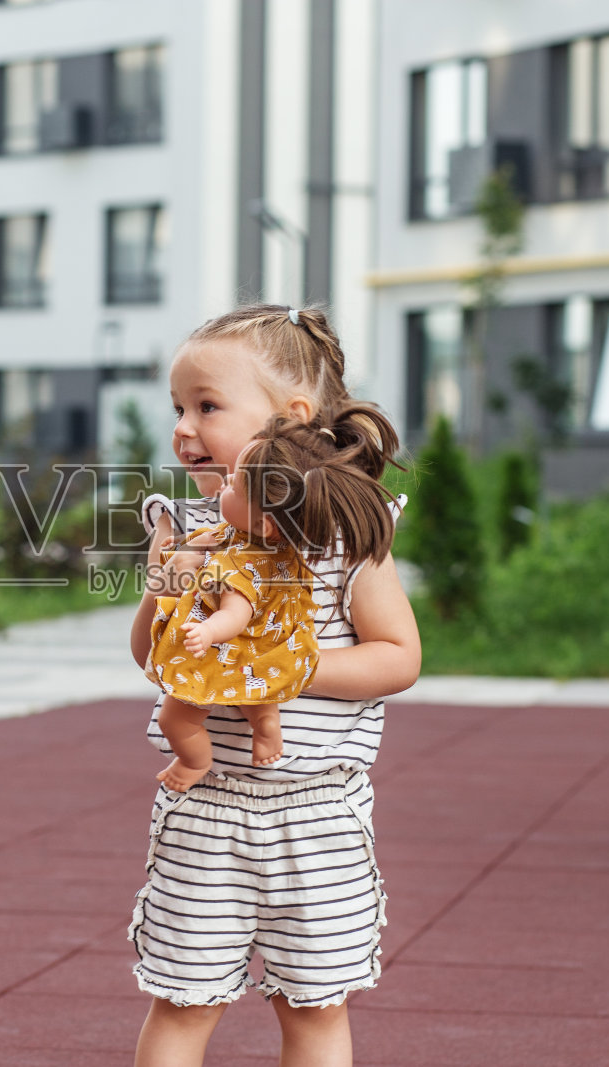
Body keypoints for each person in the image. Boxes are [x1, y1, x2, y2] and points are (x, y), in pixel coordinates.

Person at [128, 304, 421, 1067]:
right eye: (179, 407)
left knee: (315, 1007)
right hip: (206, 806)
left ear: (291, 418)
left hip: (316, 812)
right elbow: (151, 659)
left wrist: (281, 665)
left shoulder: (349, 536)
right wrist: (166, 591)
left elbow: (398, 657)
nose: (183, 427)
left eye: (208, 406)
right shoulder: (191, 529)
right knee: (183, 1000)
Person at [144, 413, 398, 793]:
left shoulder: (242, 563)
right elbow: (209, 540)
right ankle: (265, 721)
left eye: (234, 485)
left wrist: (208, 631)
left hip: (226, 650)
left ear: (263, 523)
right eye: (178, 410)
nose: (226, 484)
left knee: (175, 720)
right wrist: (182, 557)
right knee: (254, 685)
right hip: (260, 647)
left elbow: (236, 611)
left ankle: (194, 759)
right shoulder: (275, 548)